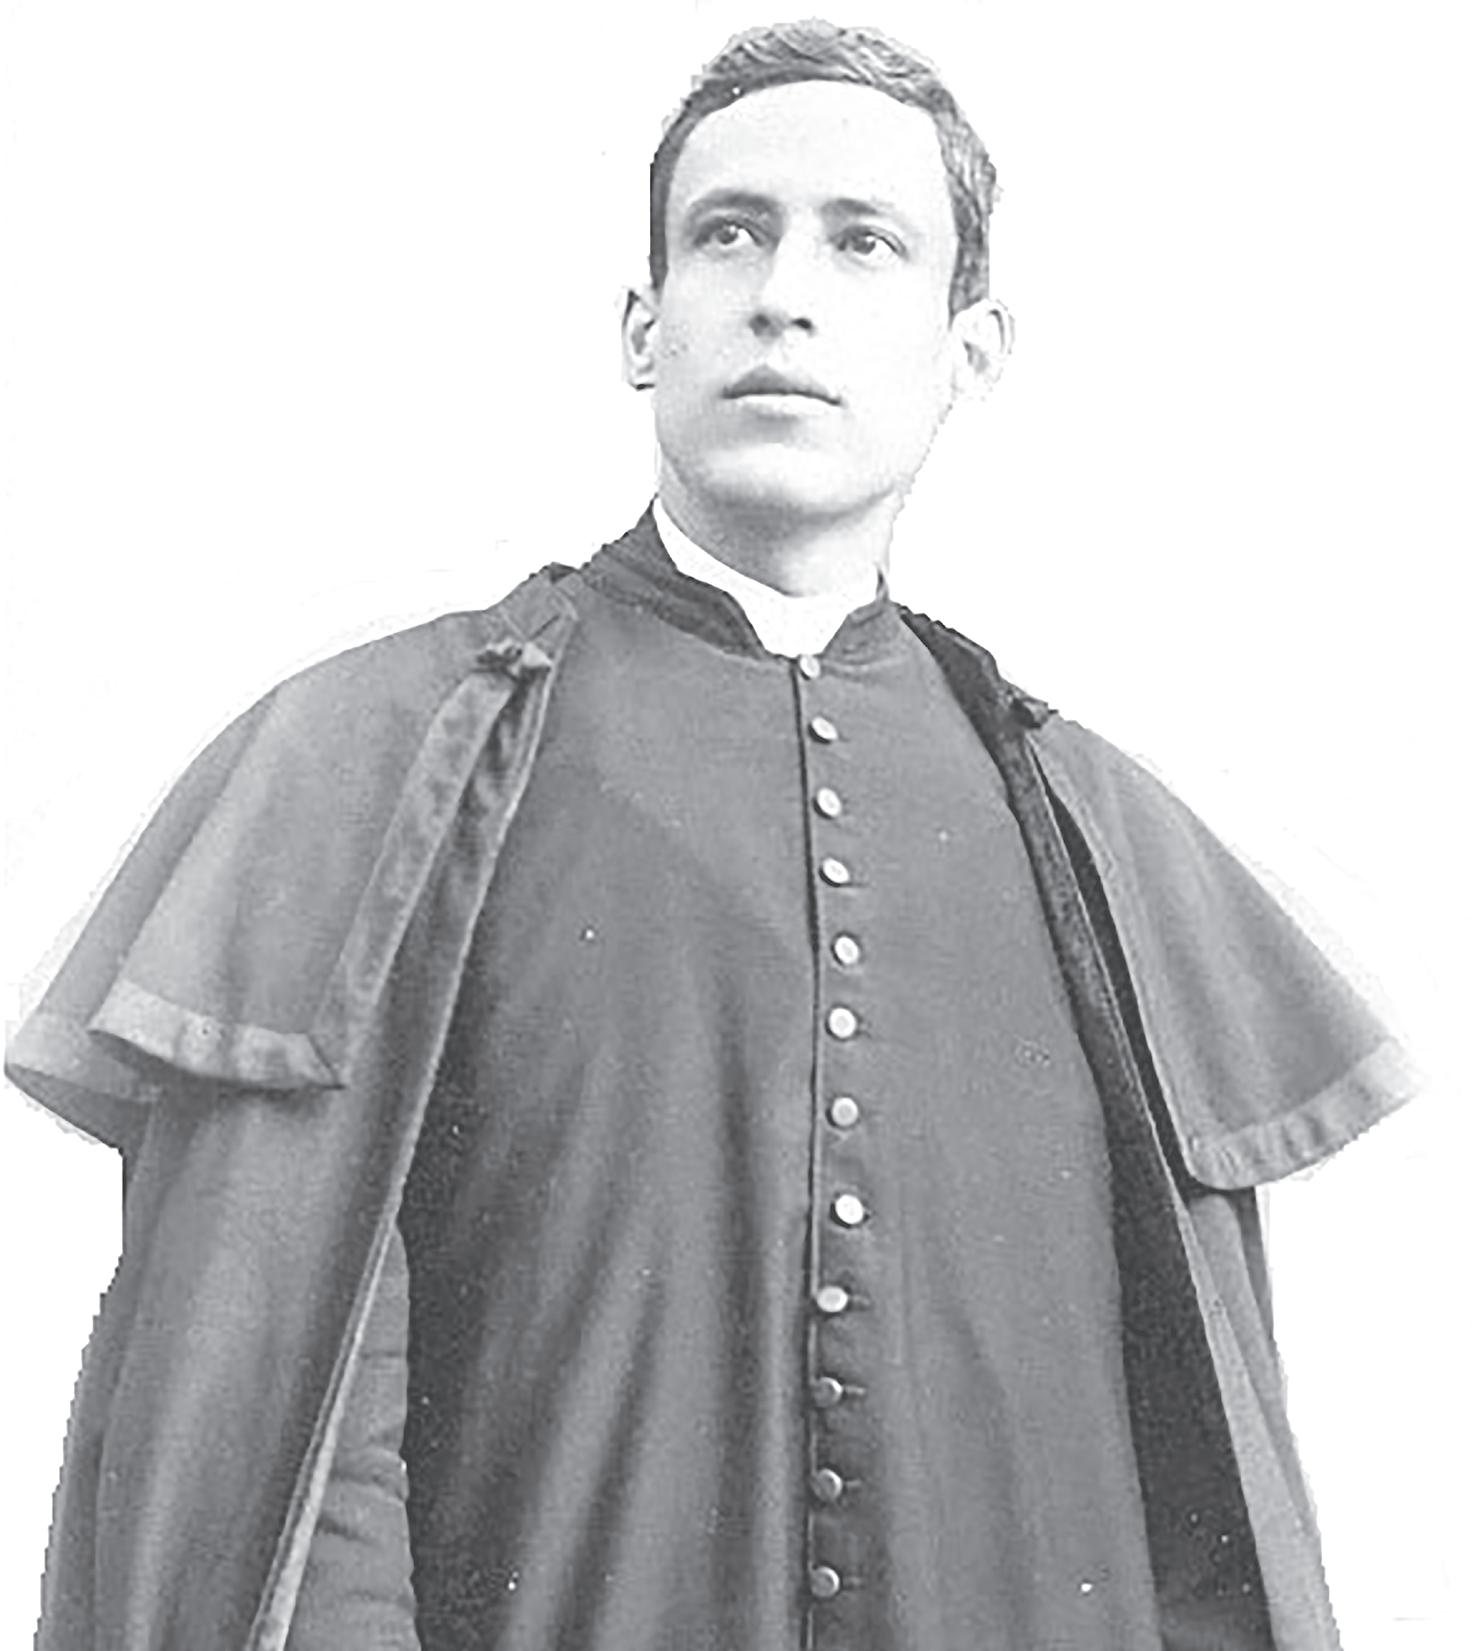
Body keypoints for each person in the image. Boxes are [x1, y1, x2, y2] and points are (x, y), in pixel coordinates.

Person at [6, 19, 1415, 1651]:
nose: (782, 295)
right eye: (728, 234)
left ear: (970, 350)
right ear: (642, 325)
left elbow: (1201, 1539)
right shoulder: (378, 764)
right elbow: (291, 1455)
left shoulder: (1098, 841)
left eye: (863, 243)